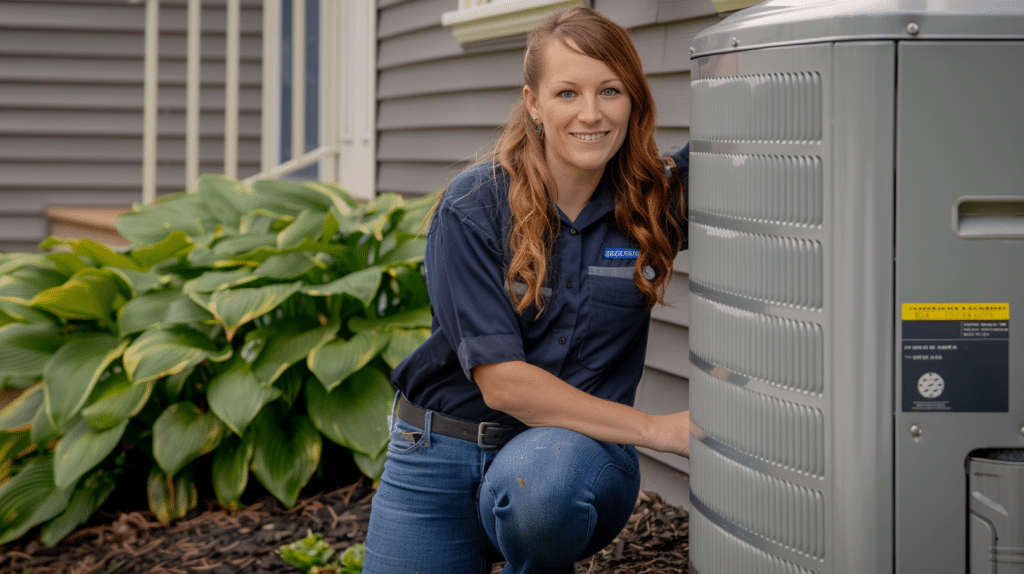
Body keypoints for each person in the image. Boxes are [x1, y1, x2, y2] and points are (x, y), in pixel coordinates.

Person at [363, 6, 690, 574]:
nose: (591, 114)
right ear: (533, 103)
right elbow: (505, 383)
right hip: (438, 454)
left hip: (569, 461)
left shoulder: (654, 201)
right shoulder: (474, 205)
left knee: (539, 487)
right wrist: (659, 430)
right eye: (567, 93)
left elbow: (761, 148)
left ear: (634, 99)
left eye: (610, 91)